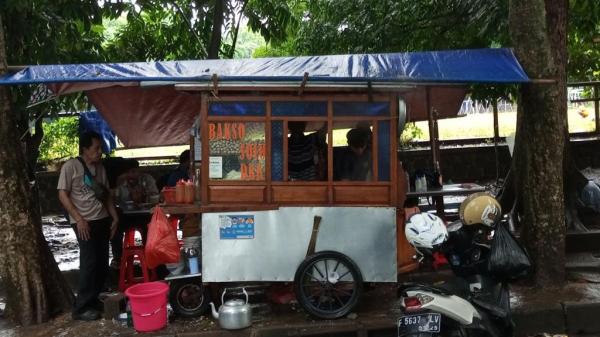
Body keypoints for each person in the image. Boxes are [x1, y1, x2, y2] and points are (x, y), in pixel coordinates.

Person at [57, 132, 118, 321]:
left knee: (101, 262)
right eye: (96, 148)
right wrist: (79, 219)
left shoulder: (100, 169)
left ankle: (94, 300)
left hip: (102, 220)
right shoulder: (71, 166)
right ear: (85, 149)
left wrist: (114, 217)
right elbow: (62, 194)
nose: (100, 152)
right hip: (84, 222)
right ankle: (81, 307)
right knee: (89, 262)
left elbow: (105, 195)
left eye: (100, 148)